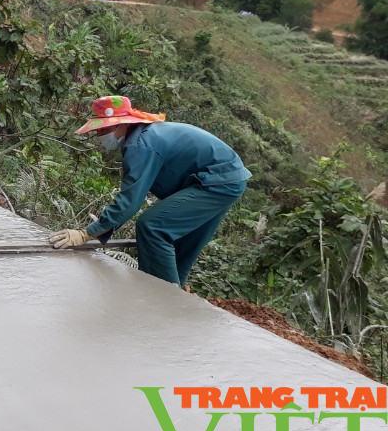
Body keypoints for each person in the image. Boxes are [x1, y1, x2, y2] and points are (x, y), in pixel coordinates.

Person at [49, 96, 251, 288]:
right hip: (227, 179)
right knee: (181, 242)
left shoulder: (141, 145)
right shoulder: (146, 135)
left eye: (103, 129)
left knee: (152, 226)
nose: (99, 135)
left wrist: (87, 233)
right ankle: (174, 298)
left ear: (121, 124)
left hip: (217, 182)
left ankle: (161, 299)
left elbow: (130, 199)